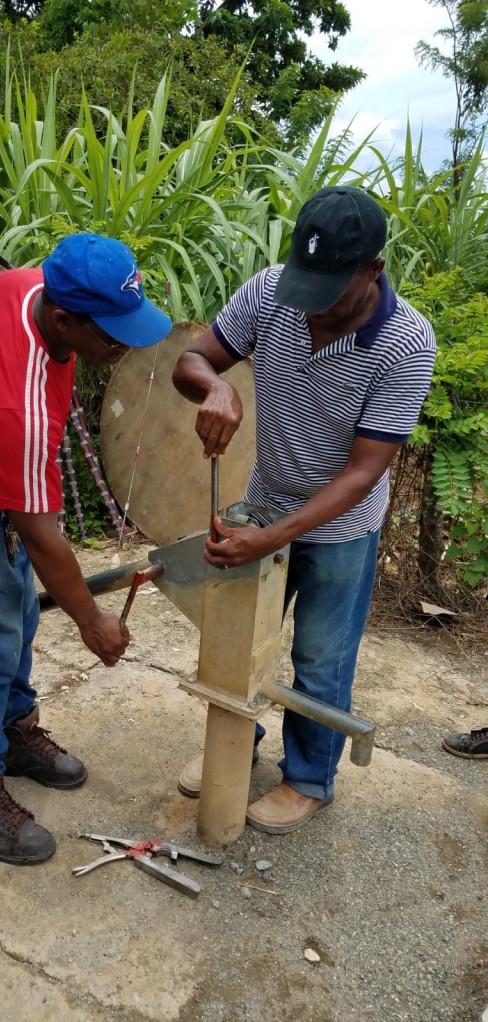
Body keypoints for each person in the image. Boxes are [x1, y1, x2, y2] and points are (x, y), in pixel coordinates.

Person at [172, 185, 436, 834]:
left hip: (343, 524)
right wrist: (214, 389)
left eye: (329, 292)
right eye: (305, 283)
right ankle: (239, 742)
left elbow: (364, 472)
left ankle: (309, 778)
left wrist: (274, 540)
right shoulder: (271, 293)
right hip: (265, 502)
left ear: (371, 271)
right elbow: (191, 361)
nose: (310, 309)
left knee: (320, 656)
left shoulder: (406, 342)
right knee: (239, 638)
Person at [0, 233, 171, 864]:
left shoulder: (30, 285)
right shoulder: (17, 400)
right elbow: (39, 529)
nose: (124, 345)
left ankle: (12, 730)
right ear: (64, 320)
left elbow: (34, 514)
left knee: (20, 612)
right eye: (112, 334)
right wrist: (92, 620)